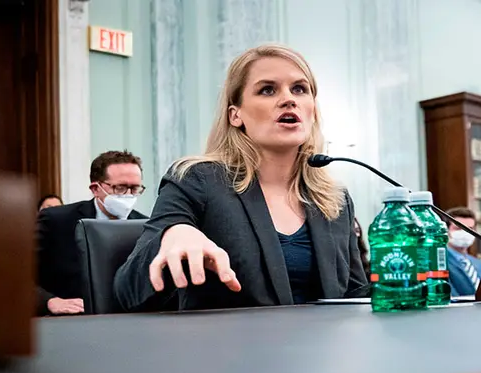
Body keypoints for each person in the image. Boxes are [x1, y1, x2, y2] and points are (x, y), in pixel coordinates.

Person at [114, 44, 368, 312]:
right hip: (232, 339)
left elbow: (355, 294)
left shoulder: (335, 198)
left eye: (299, 89)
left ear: (312, 110)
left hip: (322, 338)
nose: (288, 99)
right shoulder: (197, 180)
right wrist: (174, 233)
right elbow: (126, 290)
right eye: (267, 90)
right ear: (236, 115)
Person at [37, 150, 147, 316]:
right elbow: (17, 273)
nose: (128, 195)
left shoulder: (145, 226)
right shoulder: (56, 221)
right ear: (96, 189)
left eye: (135, 188)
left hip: (127, 320)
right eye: (120, 188)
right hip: (69, 321)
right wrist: (49, 301)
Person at [444, 206, 481, 297]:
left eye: (470, 228)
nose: (465, 232)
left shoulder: (479, 264)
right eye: (458, 228)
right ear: (446, 230)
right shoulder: (439, 262)